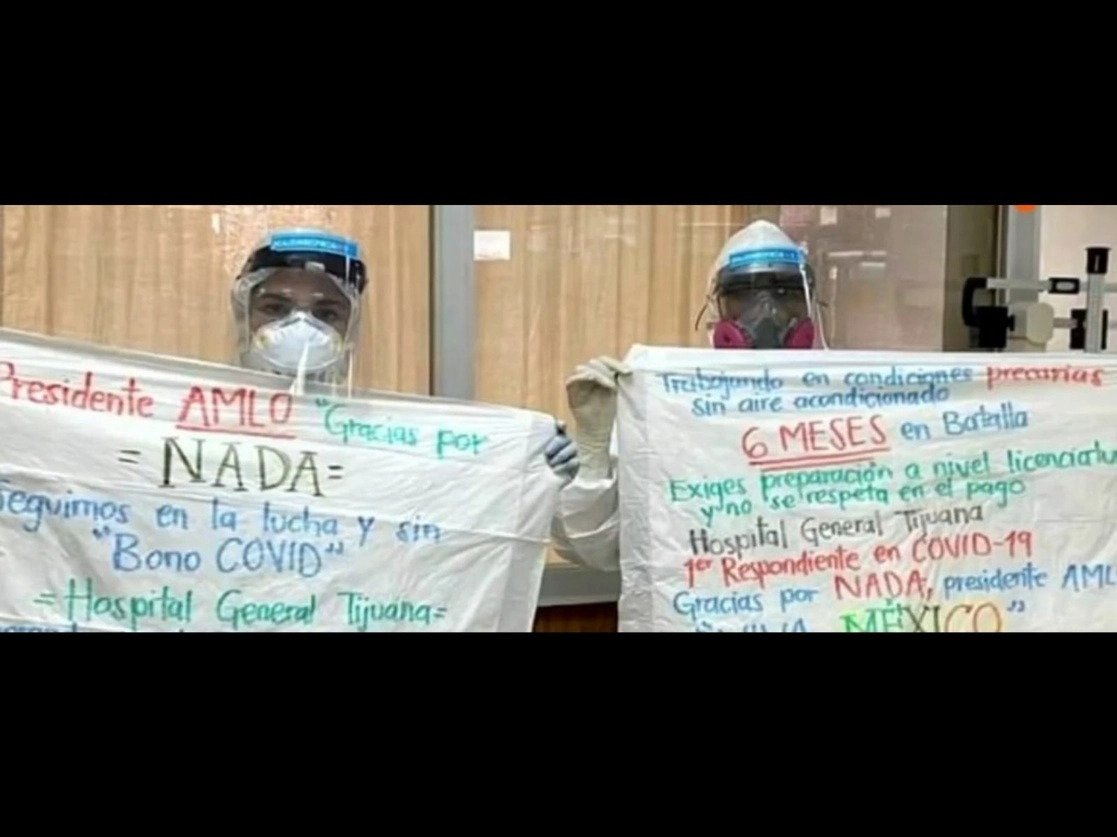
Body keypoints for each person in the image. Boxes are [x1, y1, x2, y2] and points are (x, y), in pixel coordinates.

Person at [551, 219, 823, 571]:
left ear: (810, 305)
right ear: (717, 309)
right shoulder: (668, 410)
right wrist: (593, 453)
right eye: (743, 295)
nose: (768, 313)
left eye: (786, 294)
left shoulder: (853, 411)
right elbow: (593, 551)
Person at [231, 227, 579, 480]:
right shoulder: (188, 426)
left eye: (327, 314)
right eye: (275, 308)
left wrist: (531, 465)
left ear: (352, 324)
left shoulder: (394, 438)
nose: (301, 329)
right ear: (243, 314)